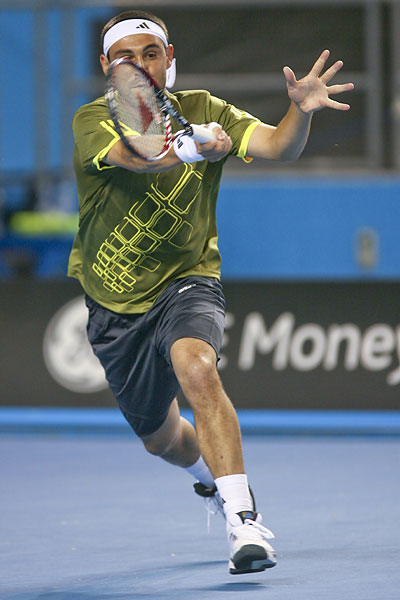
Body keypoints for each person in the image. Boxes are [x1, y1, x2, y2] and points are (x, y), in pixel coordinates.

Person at [68, 9, 354, 575]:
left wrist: (299, 113)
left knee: (197, 367)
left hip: (188, 279)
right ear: (107, 66)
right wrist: (192, 149)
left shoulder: (206, 108)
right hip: (114, 305)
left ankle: (245, 521)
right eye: (127, 58)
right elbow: (136, 155)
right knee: (164, 442)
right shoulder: (92, 120)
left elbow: (279, 146)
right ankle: (207, 479)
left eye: (152, 54)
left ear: (169, 59)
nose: (141, 66)